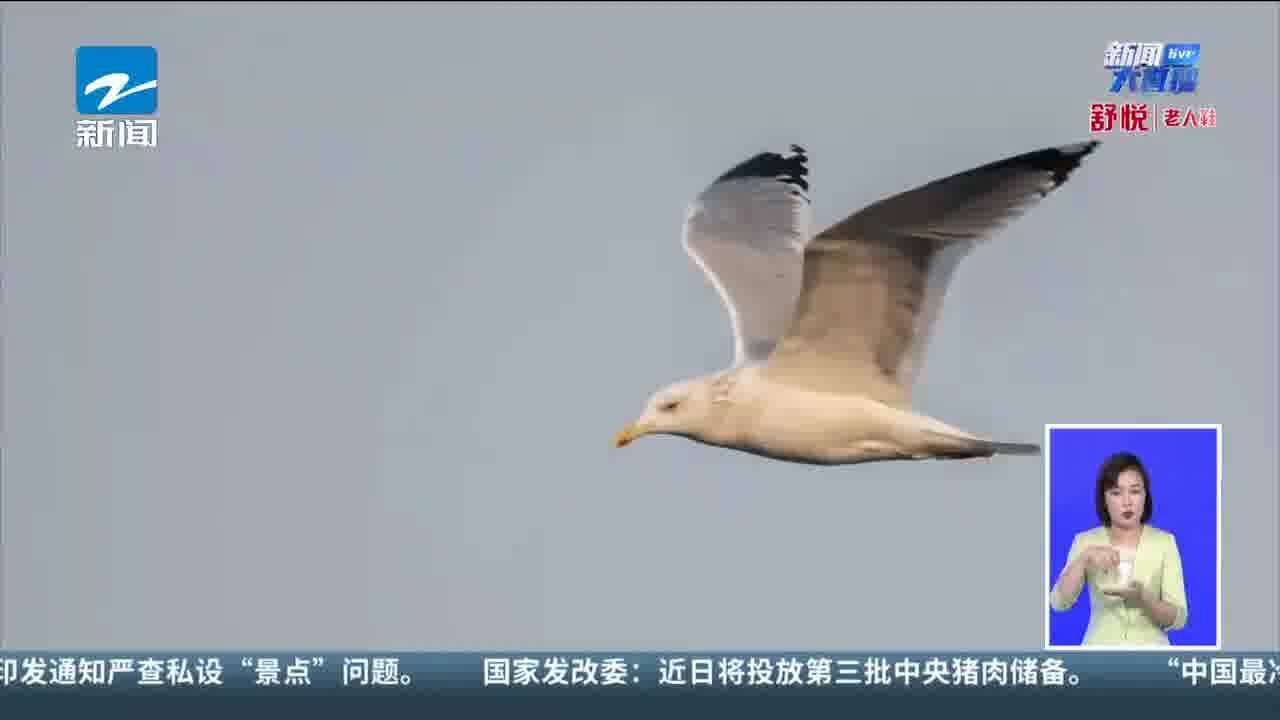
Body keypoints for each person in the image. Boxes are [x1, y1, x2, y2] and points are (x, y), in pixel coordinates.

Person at [1049, 451, 1189, 646]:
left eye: (1135, 491)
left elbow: (1178, 618)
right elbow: (1058, 603)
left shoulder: (1164, 542)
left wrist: (1144, 599)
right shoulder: (1086, 541)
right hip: (1099, 654)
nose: (1127, 501)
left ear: (1145, 495)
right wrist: (1084, 560)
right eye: (1116, 493)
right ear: (1104, 499)